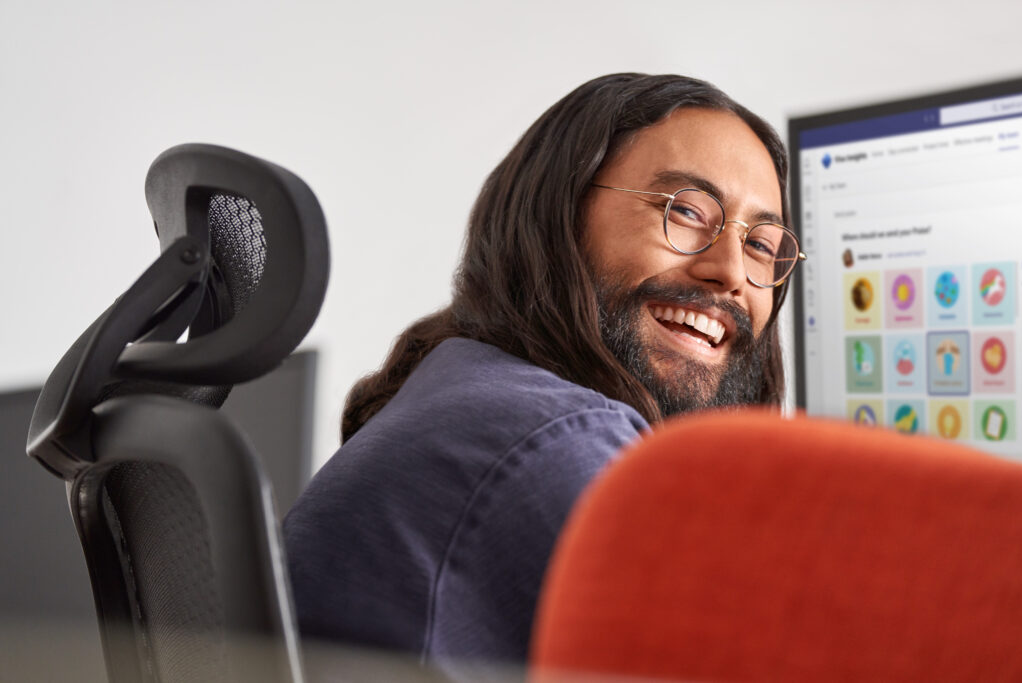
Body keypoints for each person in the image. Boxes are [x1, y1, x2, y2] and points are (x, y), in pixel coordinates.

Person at [283, 72, 802, 675]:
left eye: (763, 245)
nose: (731, 271)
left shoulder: (476, 391)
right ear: (557, 217)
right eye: (685, 211)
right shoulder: (557, 439)